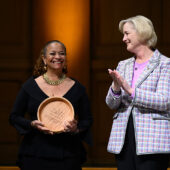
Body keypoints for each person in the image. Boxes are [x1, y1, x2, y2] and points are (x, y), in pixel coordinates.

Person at [9, 40, 93, 170]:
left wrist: (76, 128)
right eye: (52, 53)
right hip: (35, 154)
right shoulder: (30, 86)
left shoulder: (77, 88)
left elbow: (87, 120)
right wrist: (32, 124)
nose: (58, 57)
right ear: (44, 58)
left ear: (65, 58)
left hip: (68, 154)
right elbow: (14, 116)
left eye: (62, 53)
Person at [105, 15, 170, 170]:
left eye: (127, 33)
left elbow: (164, 101)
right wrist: (115, 86)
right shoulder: (123, 65)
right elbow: (111, 103)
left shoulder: (165, 64)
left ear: (142, 32)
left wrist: (130, 90)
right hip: (124, 138)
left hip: (152, 140)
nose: (123, 39)